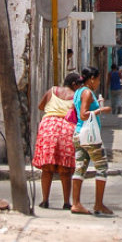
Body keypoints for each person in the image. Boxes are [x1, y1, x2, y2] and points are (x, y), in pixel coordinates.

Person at [32, 72, 82, 209]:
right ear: (74, 84)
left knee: (47, 168)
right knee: (65, 169)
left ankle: (45, 200)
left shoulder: (52, 91)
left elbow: (41, 106)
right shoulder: (76, 97)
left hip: (48, 128)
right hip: (67, 129)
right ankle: (66, 202)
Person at [71, 66, 113, 216]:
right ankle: (98, 204)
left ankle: (75, 203)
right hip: (89, 135)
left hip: (79, 133)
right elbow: (83, 114)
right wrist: (101, 110)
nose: (99, 82)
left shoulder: (78, 92)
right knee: (102, 167)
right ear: (92, 79)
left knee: (80, 167)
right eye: (98, 79)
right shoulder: (87, 93)